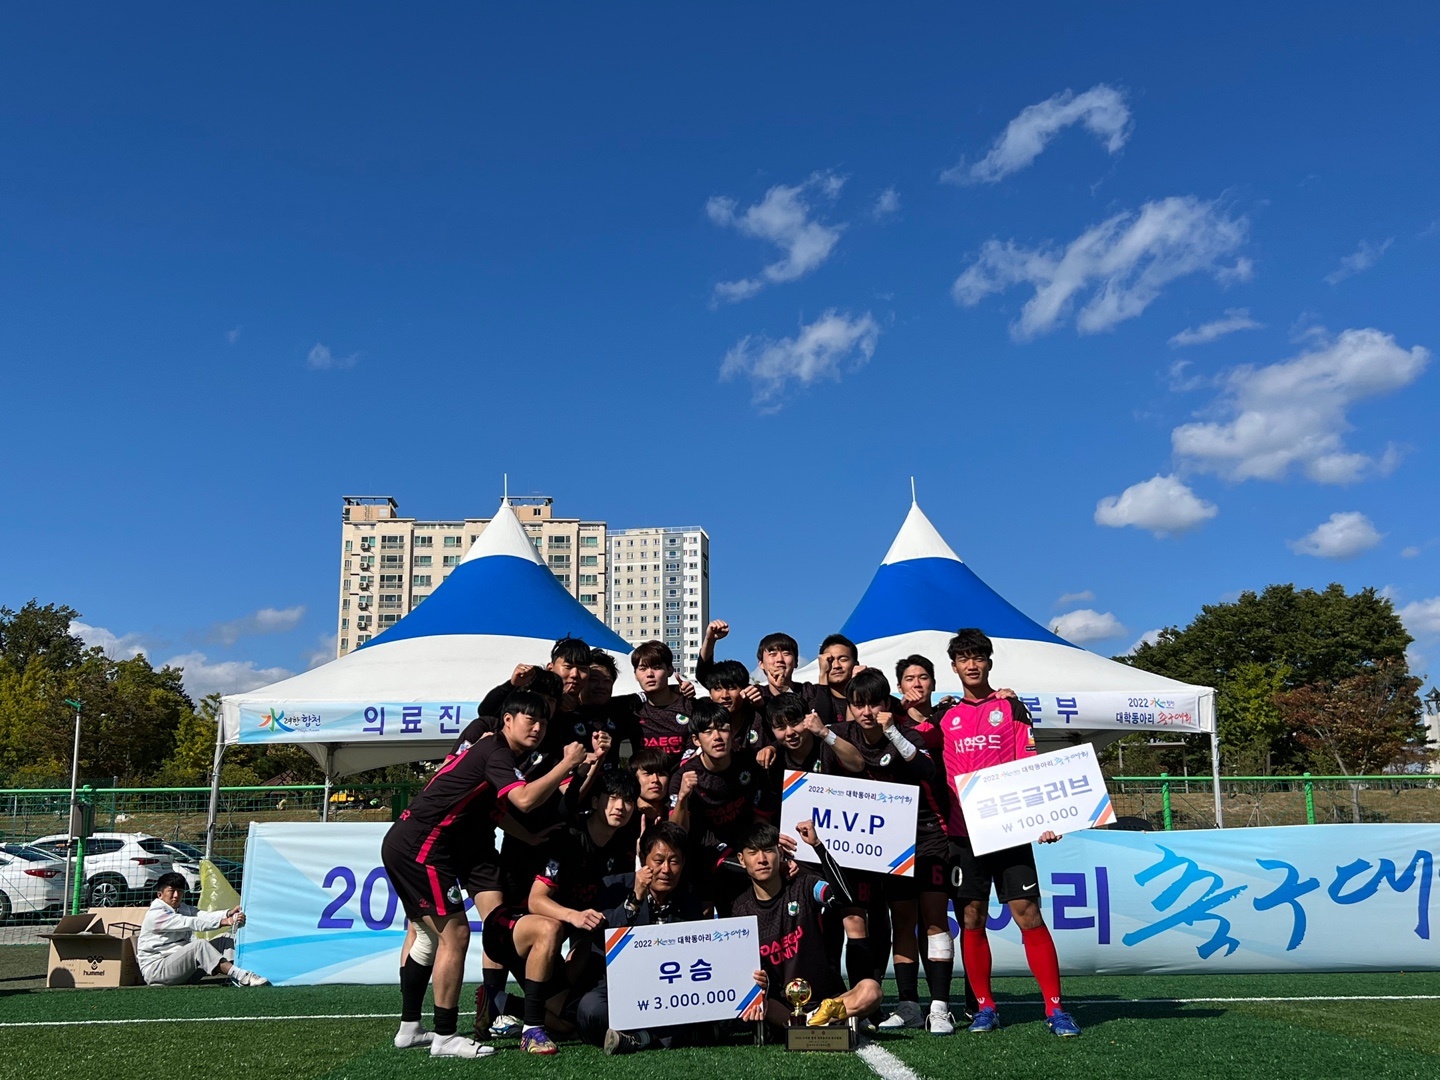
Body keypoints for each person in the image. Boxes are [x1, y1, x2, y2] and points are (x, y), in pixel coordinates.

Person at [380, 688, 585, 1058]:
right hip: (423, 849)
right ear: (507, 720)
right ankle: (446, 1036)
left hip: (417, 845)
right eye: (530, 719)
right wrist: (567, 764)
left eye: (543, 721)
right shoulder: (497, 751)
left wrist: (528, 836)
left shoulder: (499, 754)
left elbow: (496, 810)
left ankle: (410, 1028)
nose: (537, 728)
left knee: (428, 937)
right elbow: (523, 799)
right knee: (455, 934)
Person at [937, 628, 1080, 1038]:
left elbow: (1028, 765)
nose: (971, 664)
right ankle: (985, 1007)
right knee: (971, 917)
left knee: (1027, 913)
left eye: (978, 657)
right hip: (963, 834)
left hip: (1009, 830)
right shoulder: (943, 715)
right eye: (963, 658)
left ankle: (1055, 1008)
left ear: (989, 662)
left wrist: (1043, 819)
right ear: (954, 666)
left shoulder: (1011, 708)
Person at [480, 769, 640, 1055]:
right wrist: (574, 916)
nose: (620, 806)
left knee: (569, 1023)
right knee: (550, 928)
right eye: (613, 797)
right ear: (596, 801)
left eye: (628, 800)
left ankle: (498, 1002)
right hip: (508, 926)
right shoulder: (569, 838)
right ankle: (531, 1031)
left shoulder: (624, 846)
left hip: (553, 940)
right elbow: (536, 901)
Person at [838, 668, 959, 1034]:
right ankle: (908, 1003)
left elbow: (926, 769)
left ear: (886, 704)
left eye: (874, 703)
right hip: (889, 843)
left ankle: (940, 1006)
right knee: (902, 920)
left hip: (927, 837)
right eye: (858, 704)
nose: (867, 712)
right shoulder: (845, 735)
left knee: (934, 918)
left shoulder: (906, 732)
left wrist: (892, 731)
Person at [732, 820, 881, 1035]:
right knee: (758, 1003)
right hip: (783, 1008)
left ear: (780, 854)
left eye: (769, 851)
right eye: (753, 853)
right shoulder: (740, 910)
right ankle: (824, 1024)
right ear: (741, 859)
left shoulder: (806, 885)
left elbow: (845, 898)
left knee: (871, 991)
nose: (762, 859)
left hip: (828, 1000)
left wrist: (818, 847)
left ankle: (806, 1026)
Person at [575, 821, 708, 1054]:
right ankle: (673, 1035)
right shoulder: (615, 887)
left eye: (674, 861)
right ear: (643, 859)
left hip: (672, 990)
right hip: (623, 988)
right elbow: (604, 939)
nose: (666, 869)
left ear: (683, 863)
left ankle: (642, 1038)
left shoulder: (689, 899)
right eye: (658, 860)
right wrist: (635, 897)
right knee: (590, 1010)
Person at [668, 698, 775, 910]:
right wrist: (682, 799)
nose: (717, 737)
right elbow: (676, 832)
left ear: (732, 732)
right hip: (702, 858)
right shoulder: (683, 776)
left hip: (745, 851)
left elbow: (761, 818)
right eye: (708, 732)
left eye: (723, 729)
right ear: (696, 740)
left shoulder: (749, 763)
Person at [136, 872, 266, 987]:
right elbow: (189, 922)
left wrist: (228, 913)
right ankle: (243, 977)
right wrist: (224, 922)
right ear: (160, 894)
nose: (176, 895)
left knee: (225, 939)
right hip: (157, 972)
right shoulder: (156, 915)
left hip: (181, 971)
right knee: (199, 946)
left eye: (180, 891)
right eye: (172, 891)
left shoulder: (182, 908)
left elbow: (202, 915)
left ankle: (247, 972)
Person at [814, 633, 860, 725]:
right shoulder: (811, 693)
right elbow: (822, 724)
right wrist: (823, 675)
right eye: (830, 661)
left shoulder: (869, 695)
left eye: (843, 660)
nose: (836, 666)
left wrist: (856, 682)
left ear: (856, 664)